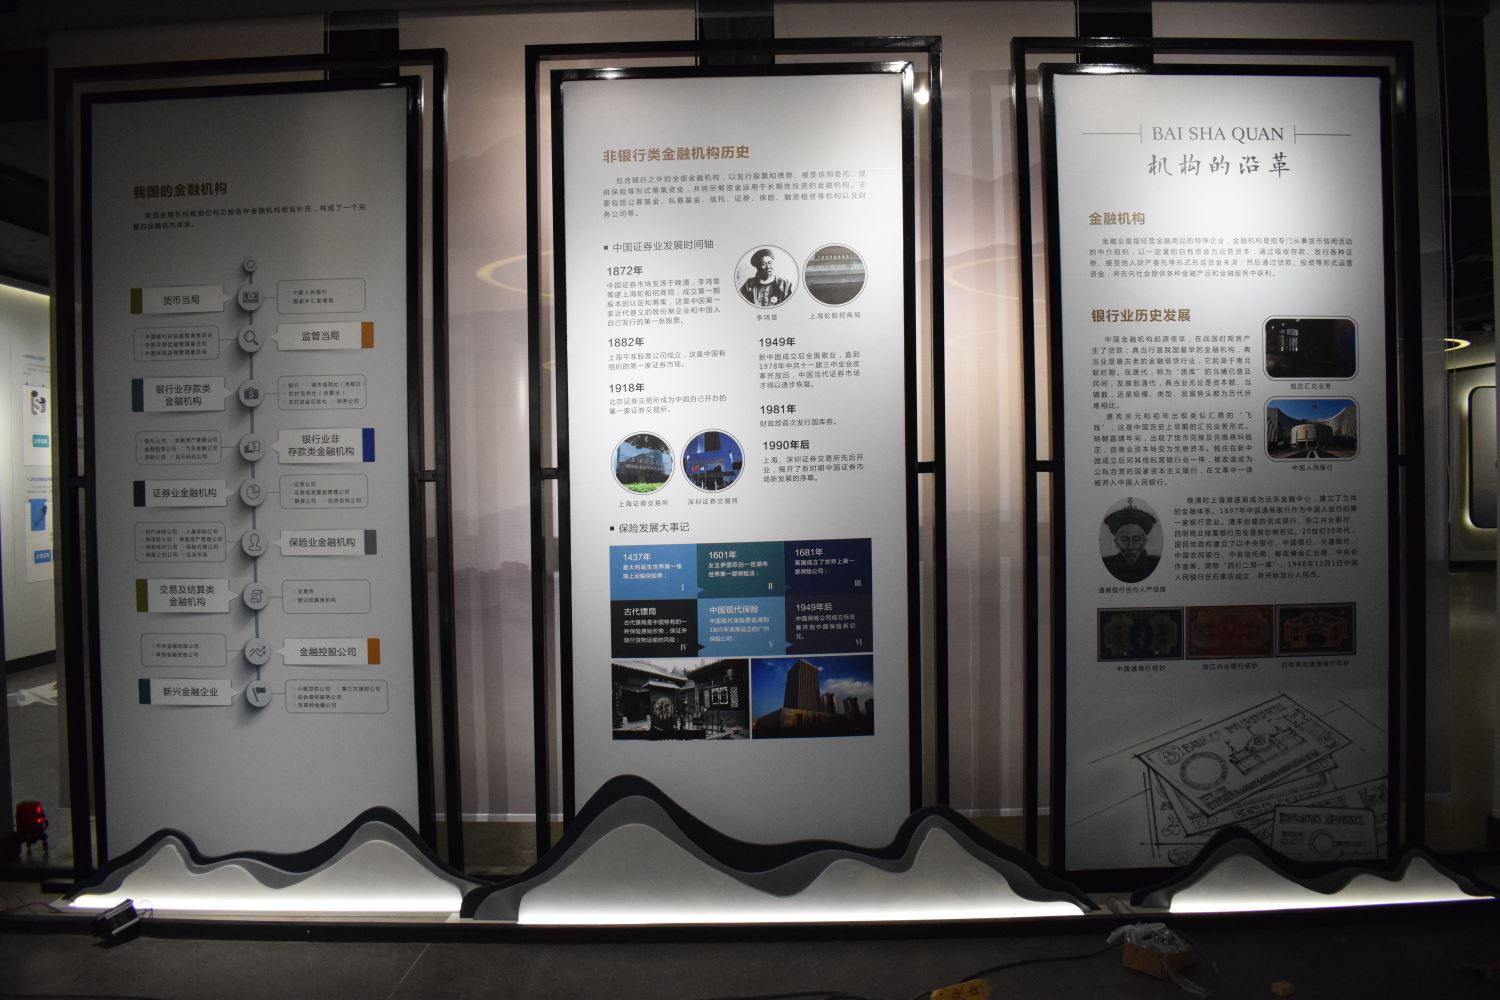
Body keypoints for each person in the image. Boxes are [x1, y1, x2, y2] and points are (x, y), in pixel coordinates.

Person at [1103, 501, 1160, 583]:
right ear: (1116, 542)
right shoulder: (1108, 564)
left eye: (1136, 539)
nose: (1130, 547)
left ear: (1144, 542)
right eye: (1124, 539)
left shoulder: (1155, 563)